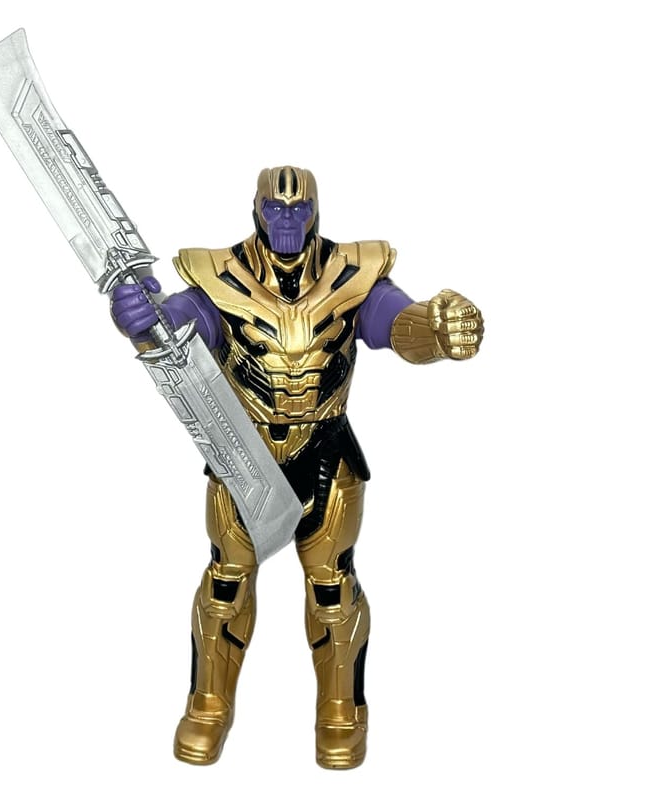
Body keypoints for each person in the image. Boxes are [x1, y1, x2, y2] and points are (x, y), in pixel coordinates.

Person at [111, 166, 484, 769]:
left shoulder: (351, 273)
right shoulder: (219, 275)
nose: (288, 219)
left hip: (326, 451)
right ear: (257, 209)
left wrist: (433, 329)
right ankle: (208, 704)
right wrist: (145, 317)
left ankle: (341, 709)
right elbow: (181, 325)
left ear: (316, 211)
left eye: (299, 208)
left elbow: (394, 322)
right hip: (242, 452)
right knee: (226, 584)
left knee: (333, 587)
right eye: (277, 208)